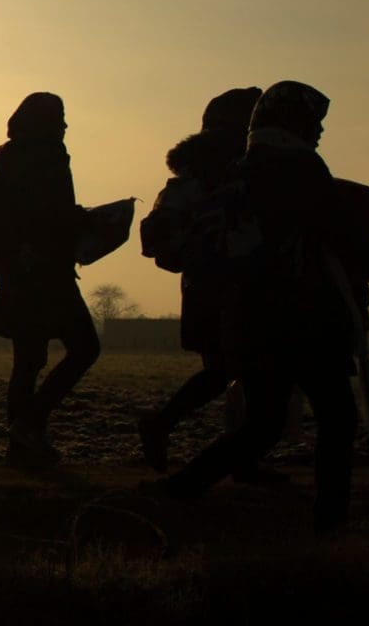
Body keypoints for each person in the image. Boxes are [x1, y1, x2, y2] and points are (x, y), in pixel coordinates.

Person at [151, 82, 369, 530]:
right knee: (336, 418)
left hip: (250, 320)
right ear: (293, 123)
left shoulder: (242, 173)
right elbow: (344, 238)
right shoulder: (301, 171)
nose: (318, 132)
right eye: (313, 122)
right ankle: (330, 520)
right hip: (305, 319)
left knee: (263, 423)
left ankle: (178, 490)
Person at [134, 87, 262, 471]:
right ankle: (229, 455)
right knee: (238, 370)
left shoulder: (199, 180)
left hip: (212, 285)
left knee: (232, 372)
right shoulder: (211, 181)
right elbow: (161, 236)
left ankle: (233, 453)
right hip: (219, 286)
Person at [0, 91, 99, 468]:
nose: (64, 125)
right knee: (84, 348)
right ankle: (28, 426)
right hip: (47, 277)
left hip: (16, 278)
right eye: (58, 118)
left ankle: (20, 444)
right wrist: (83, 221)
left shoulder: (9, 163)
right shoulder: (48, 161)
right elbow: (49, 218)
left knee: (27, 362)